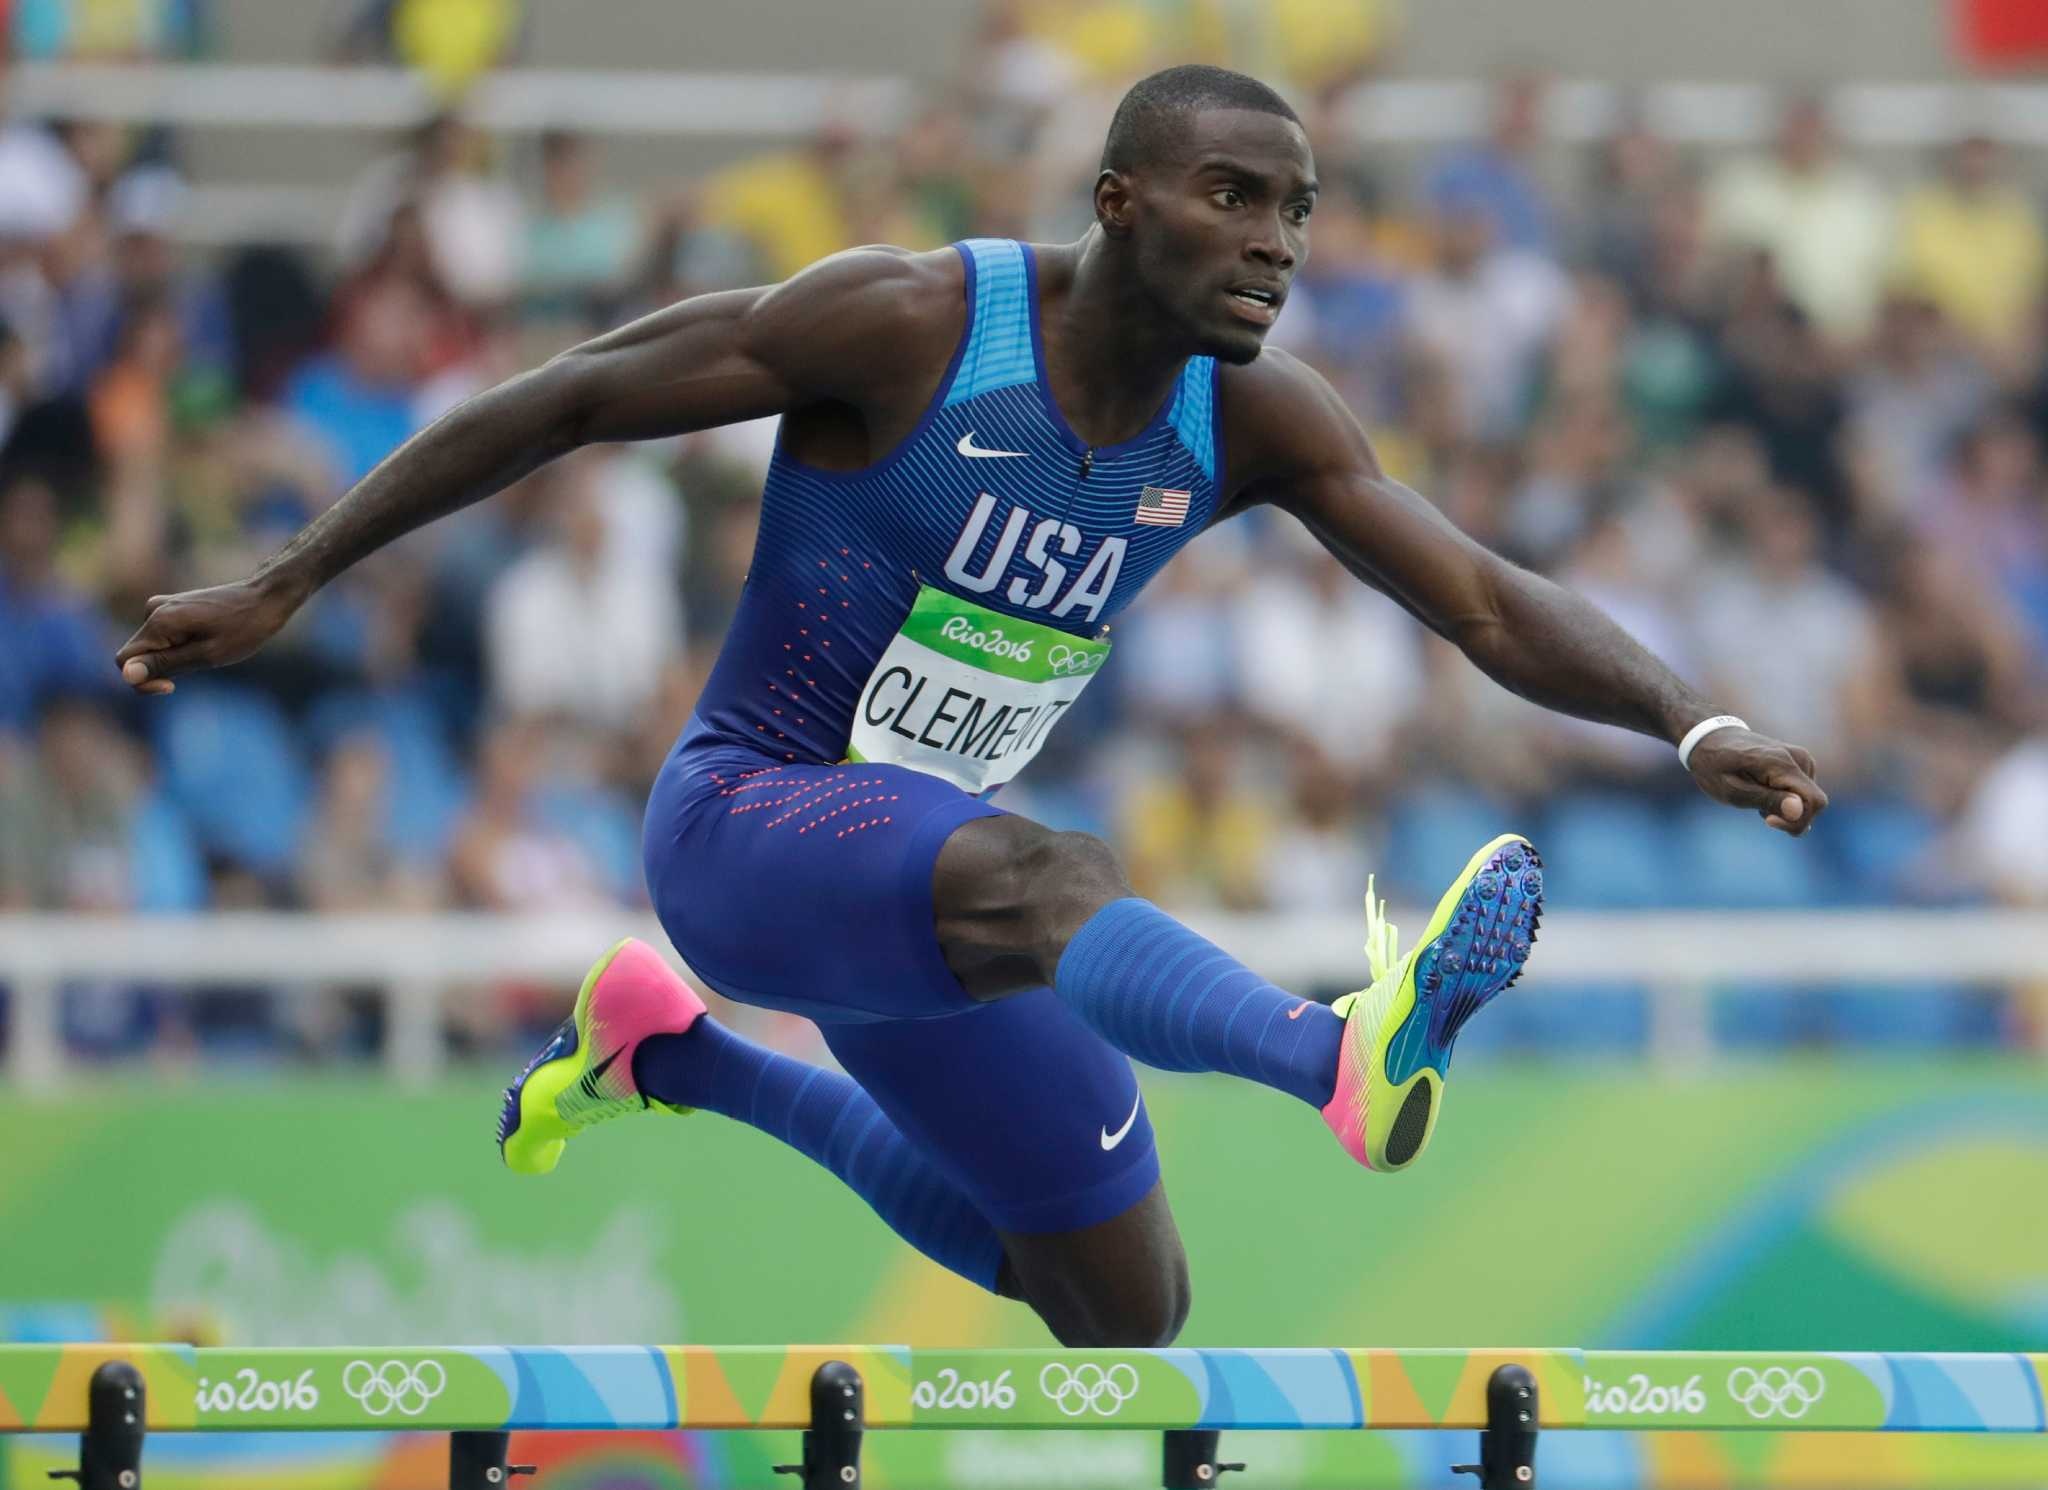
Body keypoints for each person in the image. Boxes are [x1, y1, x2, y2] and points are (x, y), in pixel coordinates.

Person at [115, 66, 1826, 1349]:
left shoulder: (1252, 420)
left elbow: (1482, 595)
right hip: (750, 826)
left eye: (1297, 210)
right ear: (1118, 200)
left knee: (1120, 1304)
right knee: (1054, 867)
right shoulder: (915, 325)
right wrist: (290, 576)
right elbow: (570, 397)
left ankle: (673, 1052)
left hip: (927, 903)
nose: (1274, 243)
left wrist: (1691, 723)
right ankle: (1338, 1062)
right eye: (1232, 194)